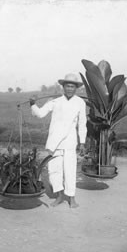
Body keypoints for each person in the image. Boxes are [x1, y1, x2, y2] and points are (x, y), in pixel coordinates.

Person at [30, 73, 87, 208]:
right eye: (67, 86)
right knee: (54, 170)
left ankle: (71, 198)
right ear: (63, 87)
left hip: (70, 142)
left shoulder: (80, 103)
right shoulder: (55, 102)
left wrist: (83, 142)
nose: (69, 89)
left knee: (70, 170)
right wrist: (33, 104)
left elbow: (83, 124)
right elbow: (40, 114)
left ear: (76, 88)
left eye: (72, 86)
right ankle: (60, 196)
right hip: (54, 142)